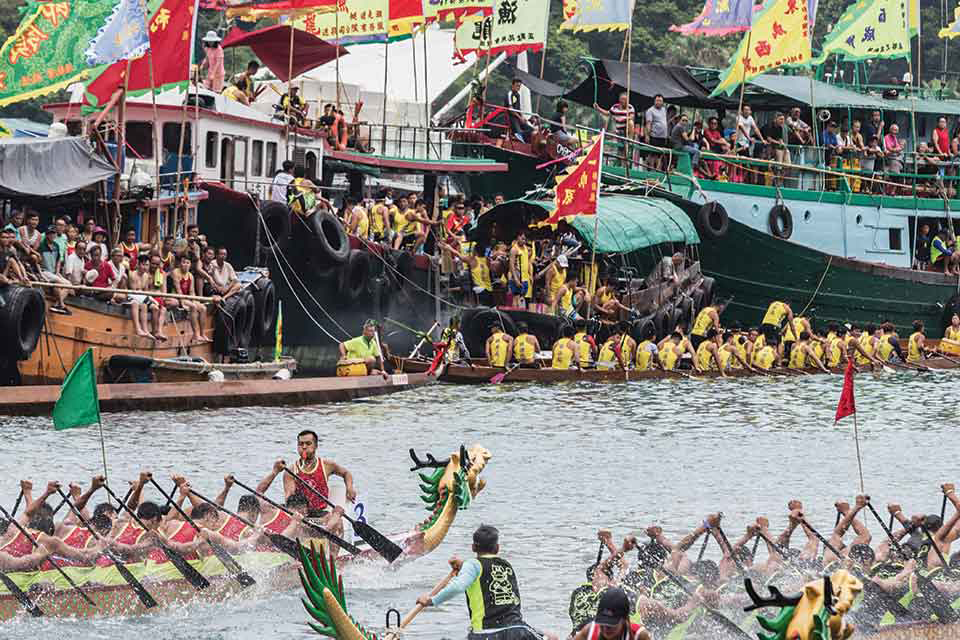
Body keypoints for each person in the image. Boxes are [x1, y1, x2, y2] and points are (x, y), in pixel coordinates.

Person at [416, 525, 542, 640]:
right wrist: (464, 566)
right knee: (552, 637)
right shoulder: (506, 565)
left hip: (486, 633)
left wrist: (431, 601)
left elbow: (457, 587)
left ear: (473, 547)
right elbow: (484, 569)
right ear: (497, 548)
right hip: (518, 631)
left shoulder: (472, 565)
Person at [283, 429, 356, 523]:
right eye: (301, 444)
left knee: (337, 521)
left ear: (316, 446)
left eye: (308, 443)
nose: (304, 447)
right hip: (301, 514)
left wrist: (349, 488)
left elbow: (346, 474)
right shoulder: (291, 471)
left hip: (320, 512)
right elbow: (290, 500)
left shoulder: (327, 465)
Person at [571, 588, 649, 640]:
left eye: (611, 625)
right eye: (602, 623)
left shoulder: (639, 635)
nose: (605, 629)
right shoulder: (589, 632)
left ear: (624, 620)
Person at [171, 255, 210, 342]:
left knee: (203, 308)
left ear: (190, 265)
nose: (185, 265)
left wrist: (195, 301)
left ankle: (202, 334)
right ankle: (196, 334)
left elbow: (192, 292)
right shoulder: (175, 272)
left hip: (186, 297)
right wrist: (184, 303)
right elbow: (178, 290)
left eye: (187, 263)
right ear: (180, 264)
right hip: (177, 297)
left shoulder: (191, 276)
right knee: (193, 307)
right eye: (183, 262)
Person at [128, 253, 164, 340]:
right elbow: (134, 292)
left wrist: (152, 300)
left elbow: (146, 291)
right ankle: (138, 329)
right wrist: (149, 299)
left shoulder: (146, 276)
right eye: (143, 264)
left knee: (155, 307)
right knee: (140, 304)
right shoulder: (133, 275)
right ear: (139, 264)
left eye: (147, 265)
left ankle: (148, 331)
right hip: (132, 297)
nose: (145, 267)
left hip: (143, 298)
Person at [38, 225, 71, 313]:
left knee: (68, 284)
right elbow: (36, 261)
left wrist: (57, 272)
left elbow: (58, 260)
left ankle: (57, 304)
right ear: (47, 235)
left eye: (54, 233)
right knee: (58, 282)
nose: (52, 235)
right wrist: (40, 273)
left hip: (53, 272)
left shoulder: (56, 245)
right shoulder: (41, 246)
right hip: (44, 272)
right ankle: (62, 305)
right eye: (50, 233)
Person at [509, 232, 532, 309]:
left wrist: (530, 275)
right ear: (518, 237)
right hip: (518, 277)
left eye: (525, 239)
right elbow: (511, 265)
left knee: (522, 298)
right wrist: (515, 279)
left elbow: (527, 261)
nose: (524, 241)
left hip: (525, 278)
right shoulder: (514, 250)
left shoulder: (525, 248)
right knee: (516, 298)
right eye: (522, 238)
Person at [505, 78, 532, 143]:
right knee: (518, 132)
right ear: (512, 85)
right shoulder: (510, 94)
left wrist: (522, 117)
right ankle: (519, 135)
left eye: (519, 86)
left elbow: (519, 109)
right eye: (517, 86)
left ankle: (522, 136)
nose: (518, 88)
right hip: (511, 117)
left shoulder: (518, 95)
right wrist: (520, 118)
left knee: (531, 130)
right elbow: (511, 109)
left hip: (518, 117)